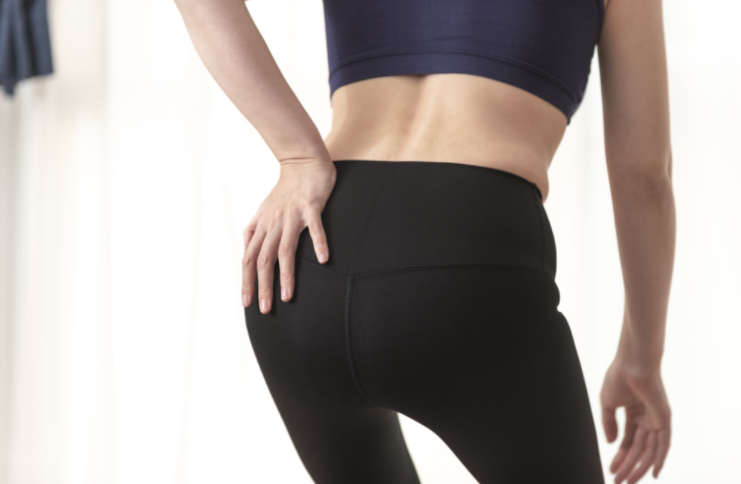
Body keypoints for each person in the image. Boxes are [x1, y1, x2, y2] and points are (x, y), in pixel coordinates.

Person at [174, 0, 674, 482]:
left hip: (304, 262)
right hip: (465, 257)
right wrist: (641, 359)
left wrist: (297, 154)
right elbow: (644, 176)